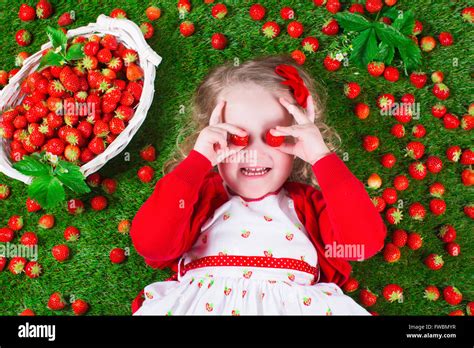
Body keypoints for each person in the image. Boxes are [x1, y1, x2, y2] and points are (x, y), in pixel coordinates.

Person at [130, 55, 386, 315]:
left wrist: (321, 156)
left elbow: (363, 243)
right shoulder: (200, 197)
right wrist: (198, 162)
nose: (254, 152)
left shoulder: (308, 206)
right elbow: (151, 243)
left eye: (275, 136)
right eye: (236, 137)